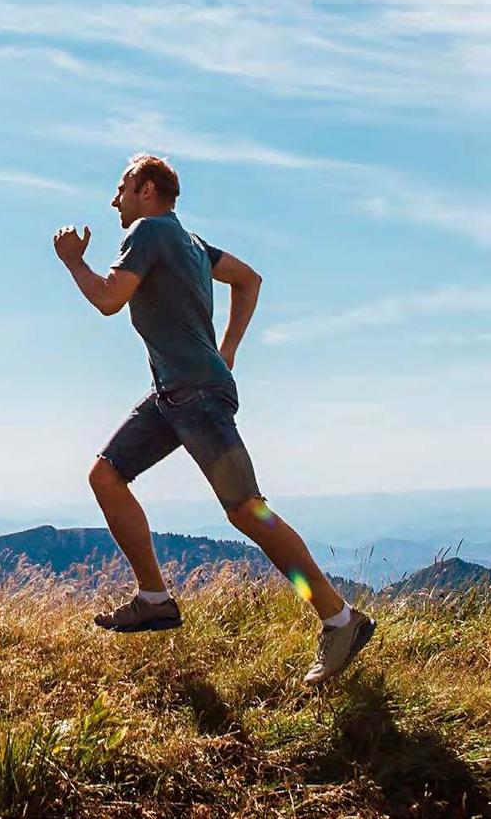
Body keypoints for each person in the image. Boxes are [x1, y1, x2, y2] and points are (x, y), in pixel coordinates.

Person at [53, 153, 374, 687]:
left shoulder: (149, 232)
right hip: (175, 395)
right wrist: (227, 351)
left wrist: (72, 261)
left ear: (148, 190)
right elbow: (248, 280)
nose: (115, 201)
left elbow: (110, 299)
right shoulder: (193, 244)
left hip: (196, 396)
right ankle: (154, 597)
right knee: (106, 475)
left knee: (248, 511)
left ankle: (340, 618)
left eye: (122, 188)